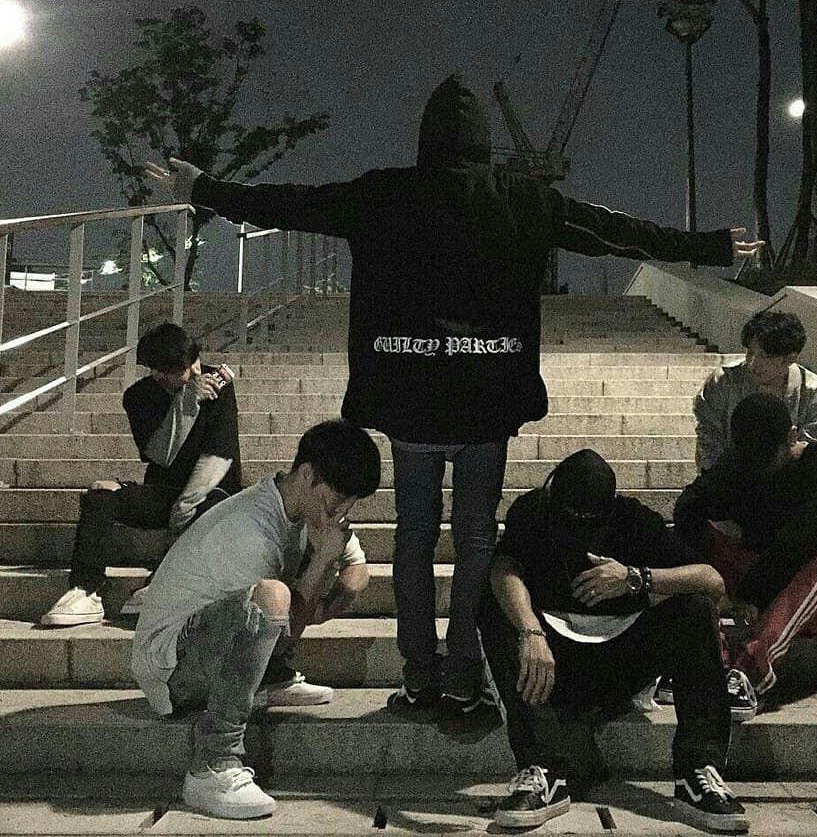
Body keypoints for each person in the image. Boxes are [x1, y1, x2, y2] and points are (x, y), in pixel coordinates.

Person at [144, 73, 762, 726]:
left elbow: (289, 204)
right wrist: (707, 247)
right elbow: (614, 232)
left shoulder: (382, 193)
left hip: (409, 403)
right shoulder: (522, 198)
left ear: (426, 139)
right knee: (475, 540)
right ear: (485, 142)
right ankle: (465, 678)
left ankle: (419, 678)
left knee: (414, 539)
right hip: (484, 406)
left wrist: (204, 190)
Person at [480, 449, 749, 834]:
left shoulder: (633, 520)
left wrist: (636, 578)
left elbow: (712, 581)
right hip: (553, 661)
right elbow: (503, 568)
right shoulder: (533, 511)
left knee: (694, 608)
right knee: (495, 604)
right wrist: (530, 631)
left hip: (621, 660)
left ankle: (697, 770)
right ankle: (544, 768)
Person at [131, 419, 381, 820]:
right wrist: (321, 561)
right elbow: (283, 627)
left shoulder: (306, 509)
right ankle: (212, 765)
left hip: (212, 645)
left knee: (280, 600)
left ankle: (271, 676)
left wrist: (329, 604)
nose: (342, 511)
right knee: (272, 596)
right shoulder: (250, 529)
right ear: (307, 475)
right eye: (338, 499)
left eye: (351, 502)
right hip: (171, 672)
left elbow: (358, 571)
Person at [674, 393, 817, 711]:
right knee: (697, 535)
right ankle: (712, 652)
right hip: (762, 585)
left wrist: (751, 592)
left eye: (768, 459)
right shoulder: (741, 463)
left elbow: (808, 534)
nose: (759, 470)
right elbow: (688, 509)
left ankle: (749, 672)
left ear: (792, 437)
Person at [41, 322, 243, 626]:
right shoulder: (139, 396)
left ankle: (161, 584)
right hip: (165, 490)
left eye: (182, 367)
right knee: (100, 495)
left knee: (212, 508)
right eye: (160, 370)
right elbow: (159, 454)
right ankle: (85, 590)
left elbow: (219, 455)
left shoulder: (219, 386)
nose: (162, 377)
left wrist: (187, 502)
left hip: (212, 491)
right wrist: (186, 403)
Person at [694, 309, 817, 473]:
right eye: (750, 352)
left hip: (791, 481)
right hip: (729, 478)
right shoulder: (723, 381)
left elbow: (814, 453)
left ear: (790, 358)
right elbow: (709, 442)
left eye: (765, 356)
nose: (753, 363)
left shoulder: (814, 391)